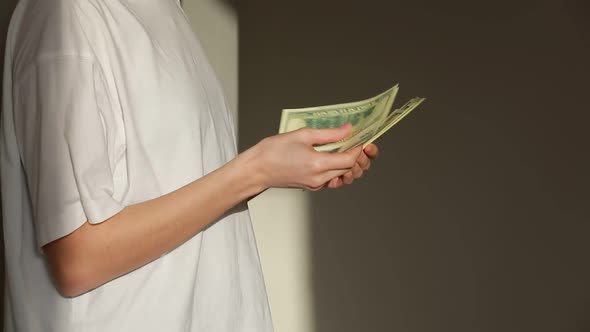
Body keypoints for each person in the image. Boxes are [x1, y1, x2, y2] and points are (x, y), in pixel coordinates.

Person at [0, 0, 378, 331]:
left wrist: (284, 167)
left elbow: (185, 185)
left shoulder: (169, 12)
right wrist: (256, 170)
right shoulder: (64, 14)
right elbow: (78, 259)